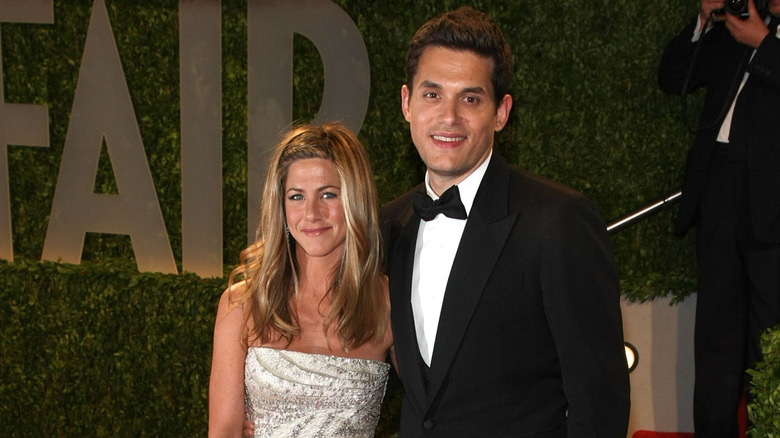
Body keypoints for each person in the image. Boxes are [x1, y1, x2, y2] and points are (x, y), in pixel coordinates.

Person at [380, 6, 631, 437]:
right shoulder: (388, 225)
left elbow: (599, 403)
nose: (449, 117)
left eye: (471, 98)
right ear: (407, 102)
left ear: (501, 112)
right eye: (432, 94)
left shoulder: (558, 221)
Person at [208, 122, 394, 438]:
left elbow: (436, 408)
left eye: (328, 195)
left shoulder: (390, 302)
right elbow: (223, 430)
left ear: (355, 199)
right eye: (296, 196)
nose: (311, 213)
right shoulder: (243, 303)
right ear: (280, 205)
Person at [658, 0, 780, 436]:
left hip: (774, 206)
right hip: (719, 190)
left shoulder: (759, 34)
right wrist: (704, 21)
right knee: (715, 342)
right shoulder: (740, 25)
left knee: (771, 345)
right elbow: (672, 76)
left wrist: (764, 44)